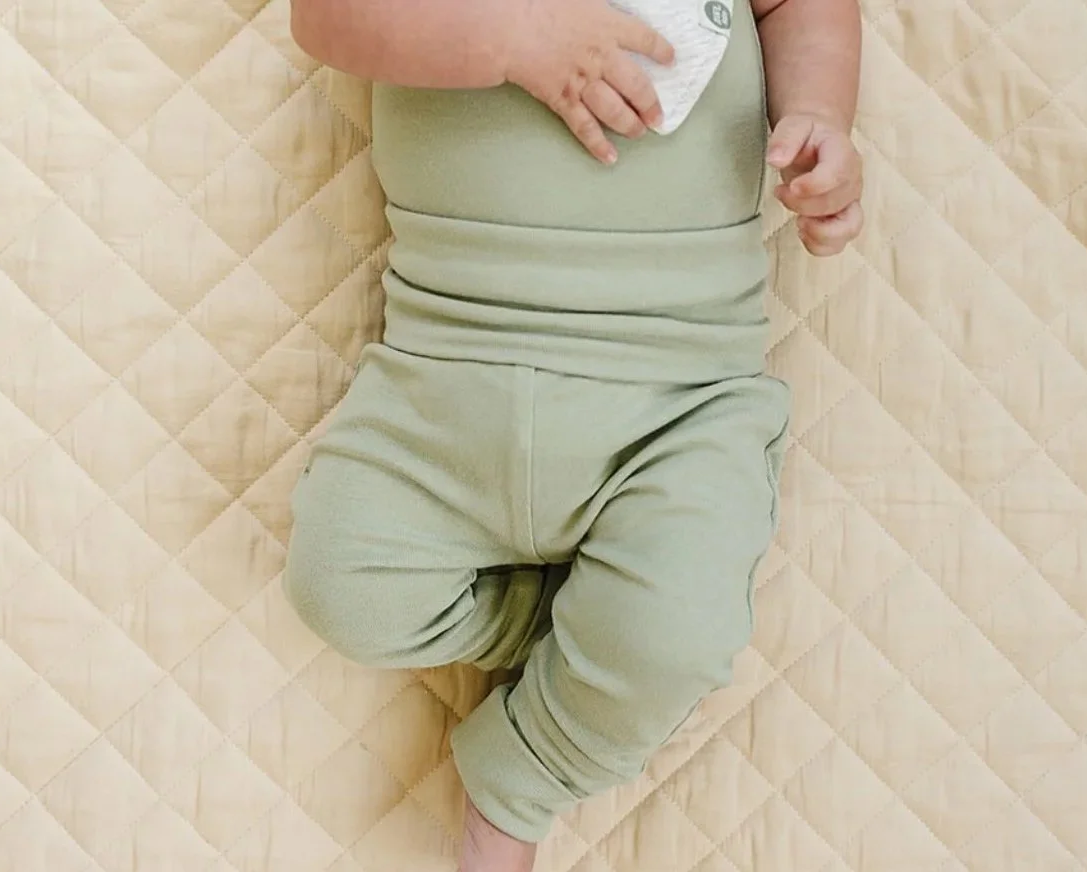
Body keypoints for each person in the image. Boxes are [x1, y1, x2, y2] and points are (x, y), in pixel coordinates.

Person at [282, 0, 863, 868]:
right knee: (338, 586)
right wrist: (510, 35)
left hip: (675, 394)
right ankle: (587, 633)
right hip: (445, 372)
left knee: (672, 637)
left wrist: (818, 116)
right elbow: (326, 17)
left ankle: (524, 776)